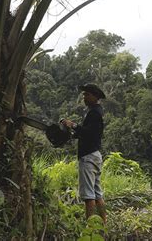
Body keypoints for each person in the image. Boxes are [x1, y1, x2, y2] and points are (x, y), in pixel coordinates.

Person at [61, 83, 107, 224]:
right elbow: (87, 133)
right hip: (95, 155)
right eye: (83, 95)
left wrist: (73, 125)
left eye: (87, 95)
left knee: (88, 197)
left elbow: (88, 133)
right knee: (97, 194)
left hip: (88, 157)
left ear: (95, 96)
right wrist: (72, 134)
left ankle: (91, 229)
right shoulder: (96, 111)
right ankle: (103, 225)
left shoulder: (94, 113)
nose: (84, 98)